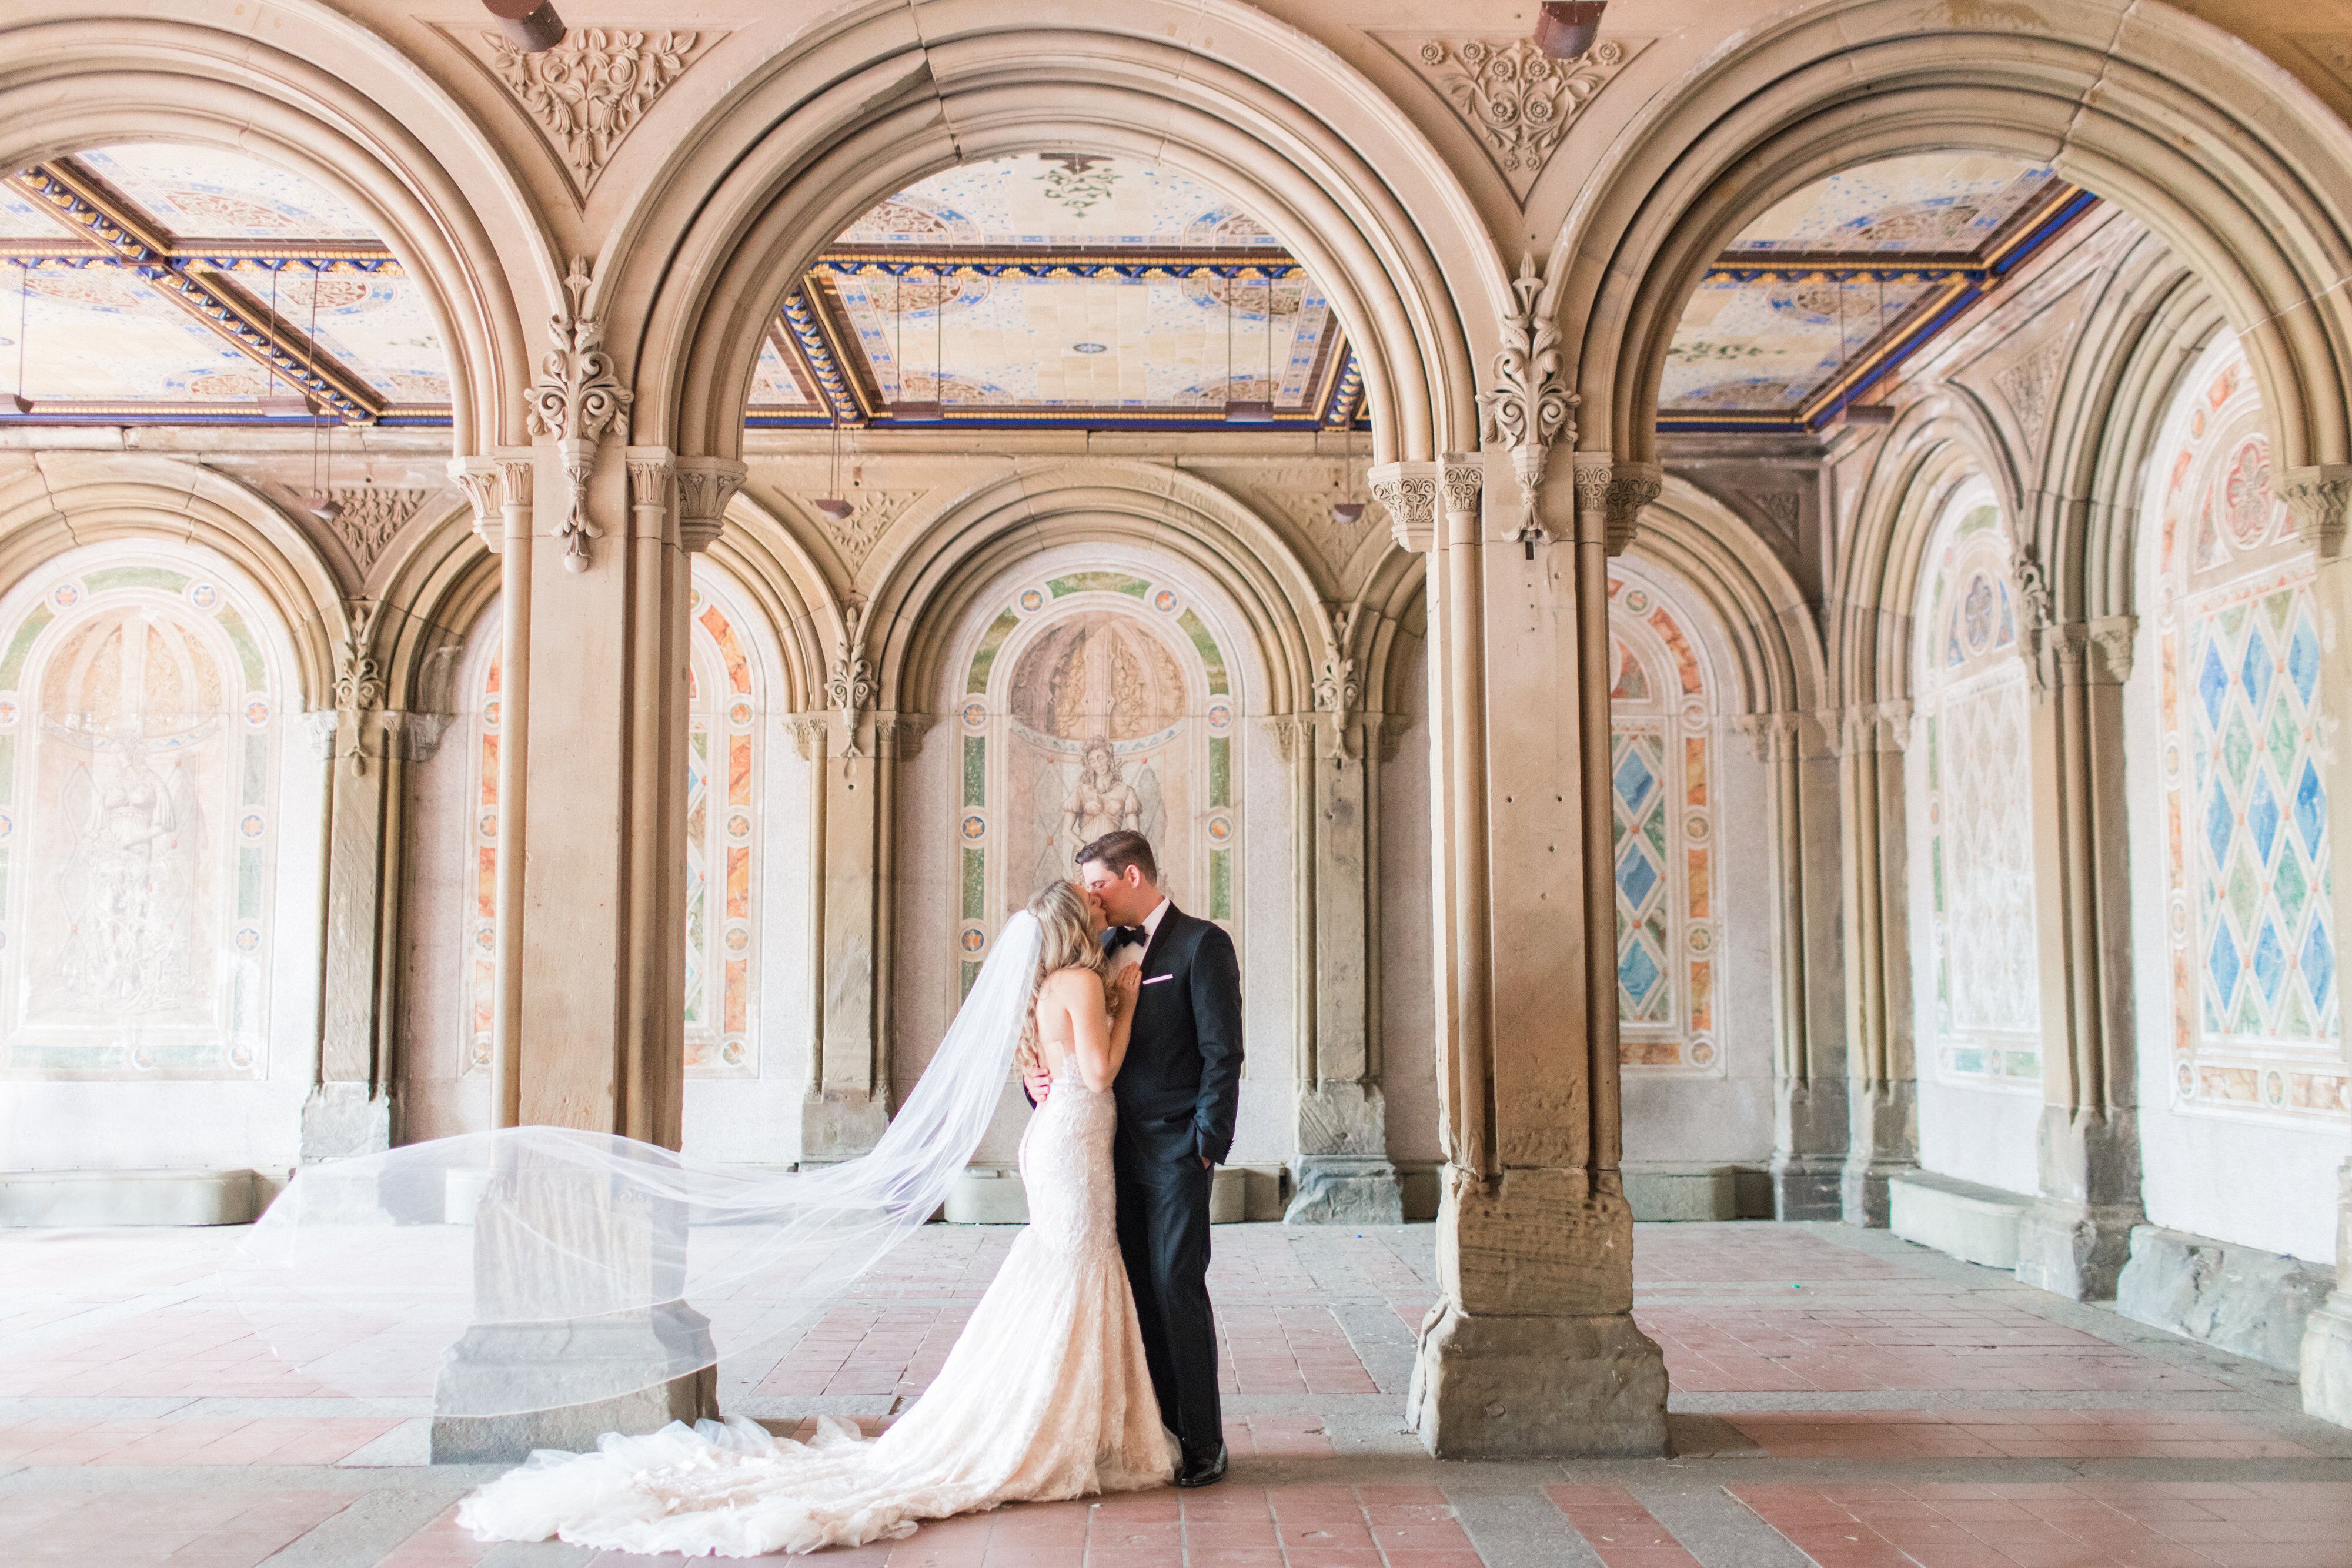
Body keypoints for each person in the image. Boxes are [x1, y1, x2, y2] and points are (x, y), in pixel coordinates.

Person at [452, 880, 1177, 1557]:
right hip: (1072, 1142)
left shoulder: (1051, 985)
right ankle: (1053, 1425)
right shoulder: (1085, 981)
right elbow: (1098, 1073)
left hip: (1061, 1142)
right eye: (1090, 903)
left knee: (1063, 1272)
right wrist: (1130, 1001)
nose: (1100, 908)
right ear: (1073, 927)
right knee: (1075, 1268)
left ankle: (1054, 1417)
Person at [1027, 828, 1242, 1490]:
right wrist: (1037, 1086)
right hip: (1102, 1153)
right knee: (1135, 1292)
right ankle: (1161, 1430)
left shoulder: (1202, 944)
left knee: (1177, 1284)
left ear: (1130, 876)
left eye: (1096, 884)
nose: (1089, 896)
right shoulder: (1095, 950)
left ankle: (1204, 1441)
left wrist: (1208, 1142)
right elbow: (1056, 1031)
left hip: (1178, 1150)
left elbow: (1222, 1053)